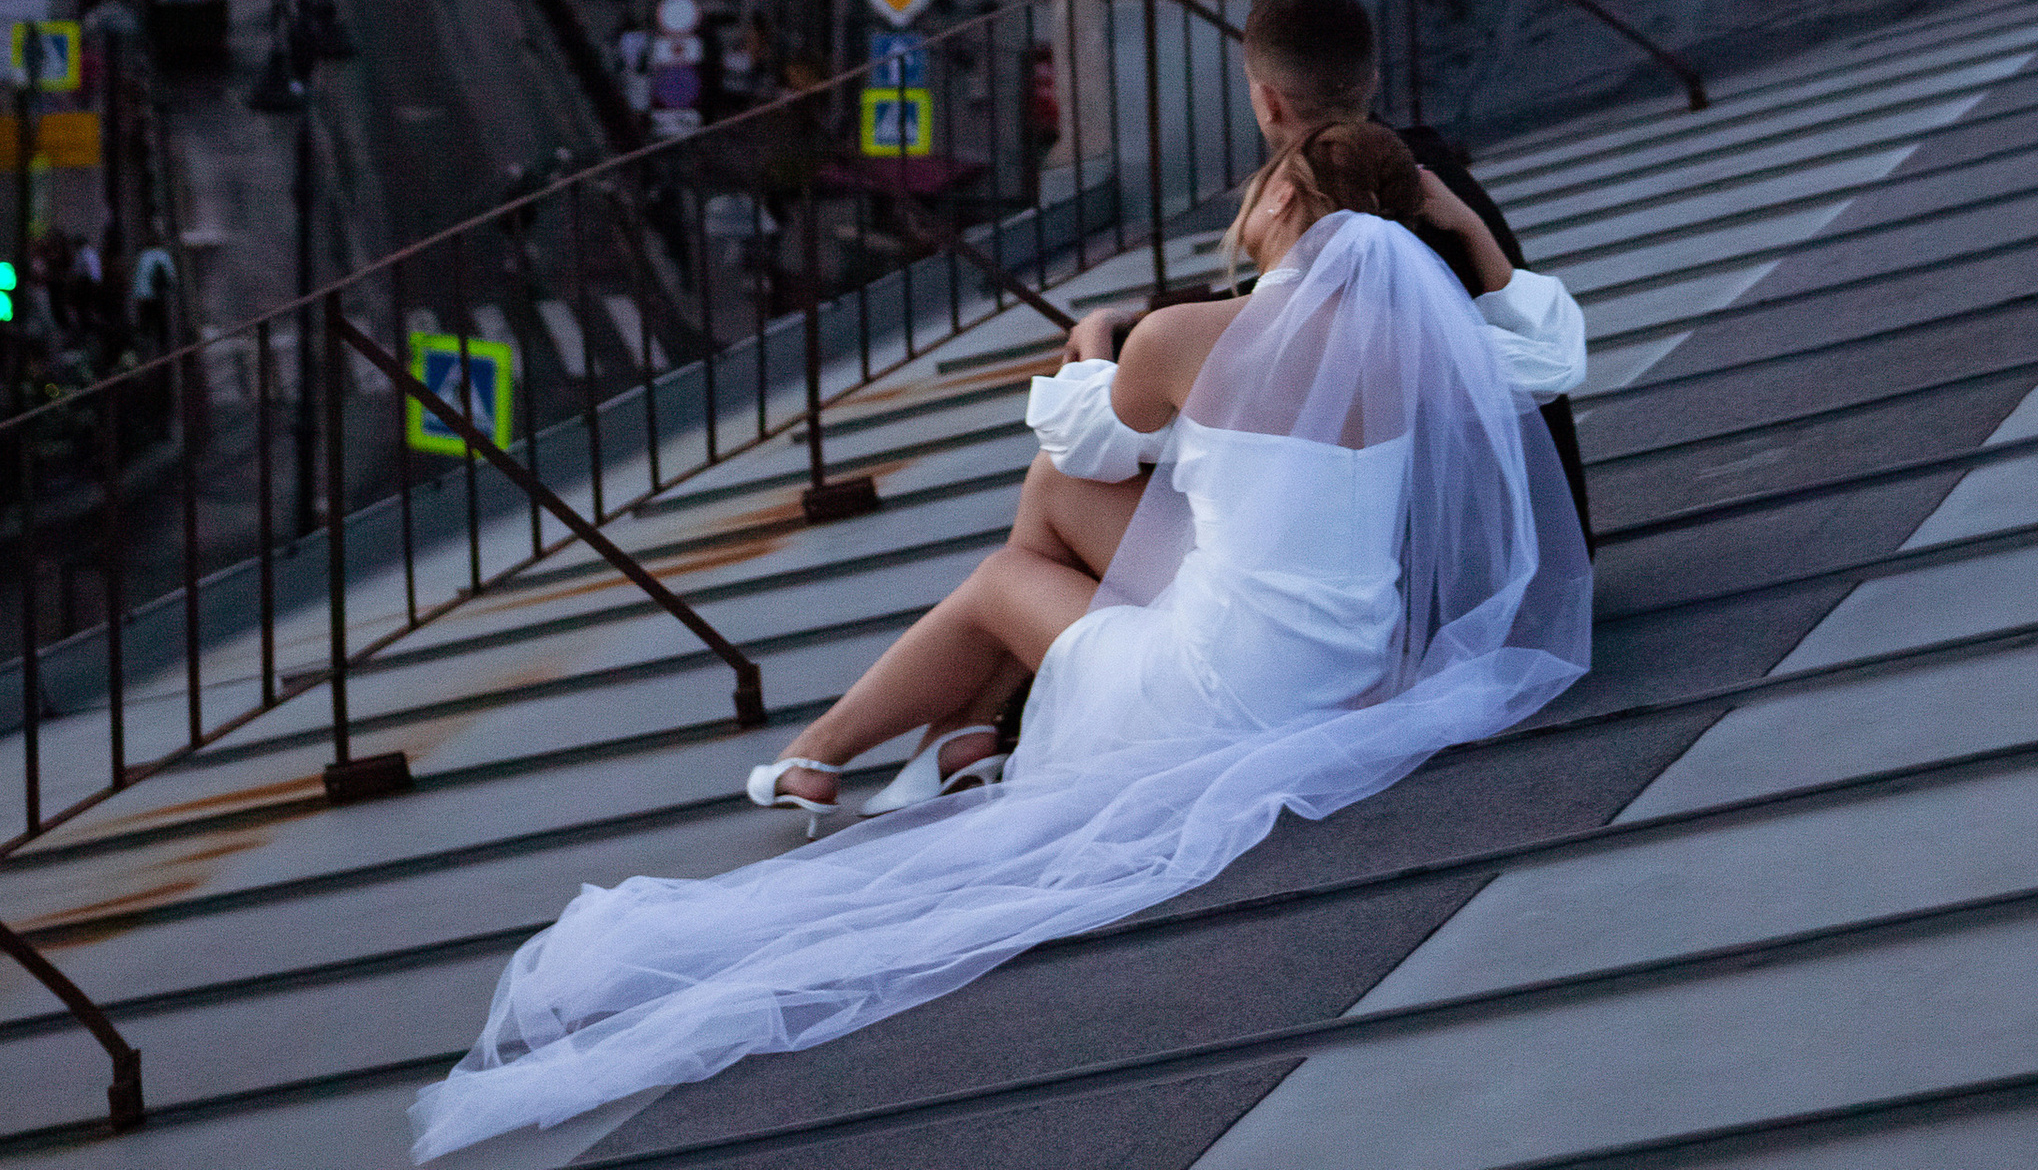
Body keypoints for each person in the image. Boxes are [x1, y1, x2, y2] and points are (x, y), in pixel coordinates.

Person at [410, 118, 1588, 1159]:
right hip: (1346, 668)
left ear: (1283, 200)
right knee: (1053, 515)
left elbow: (1082, 441)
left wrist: (1094, 346)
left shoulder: (1189, 336)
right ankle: (960, 730)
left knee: (1005, 571)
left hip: (1220, 684)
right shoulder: (1419, 347)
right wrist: (1463, 232)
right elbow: (1545, 358)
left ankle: (829, 750)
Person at [1069, 0, 1595, 550]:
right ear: (1372, 80)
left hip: (1437, 557)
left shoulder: (1353, 201)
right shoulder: (1425, 180)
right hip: (1532, 536)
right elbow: (1292, 296)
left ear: (1267, 100)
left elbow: (1288, 313)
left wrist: (1120, 332)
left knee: (1082, 475)